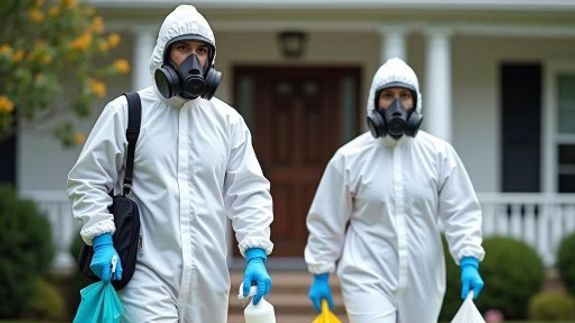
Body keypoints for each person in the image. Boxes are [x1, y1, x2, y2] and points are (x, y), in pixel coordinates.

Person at [67, 5, 273, 322]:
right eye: (183, 48)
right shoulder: (127, 111)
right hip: (145, 275)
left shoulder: (227, 121)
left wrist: (255, 252)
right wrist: (102, 238)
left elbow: (249, 192)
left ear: (211, 59)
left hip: (209, 278)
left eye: (202, 51)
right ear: (164, 54)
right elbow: (89, 179)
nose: (194, 59)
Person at [304, 57, 485, 323]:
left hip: (422, 275)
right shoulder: (350, 157)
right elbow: (327, 217)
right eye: (388, 95)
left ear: (416, 102)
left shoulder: (439, 155)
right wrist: (320, 272)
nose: (397, 104)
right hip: (366, 272)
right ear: (374, 102)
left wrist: (468, 259)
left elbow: (461, 210)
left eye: (404, 96)